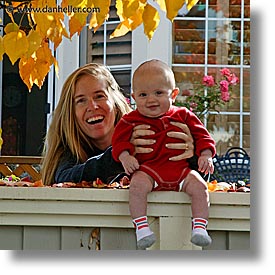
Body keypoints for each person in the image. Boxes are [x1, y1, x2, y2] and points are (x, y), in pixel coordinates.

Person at [112, 59, 216, 249]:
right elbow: (118, 142)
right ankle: (142, 229)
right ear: (134, 97)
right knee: (136, 187)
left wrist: (206, 155)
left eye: (159, 93)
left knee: (200, 187)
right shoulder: (130, 120)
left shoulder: (183, 115)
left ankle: (200, 227)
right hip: (149, 171)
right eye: (143, 95)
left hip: (181, 171)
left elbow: (203, 136)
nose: (151, 99)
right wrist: (125, 157)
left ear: (174, 94)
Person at [41, 63, 195, 191]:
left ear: (115, 102)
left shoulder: (147, 133)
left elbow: (200, 181)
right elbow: (63, 179)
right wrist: (119, 156)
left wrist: (193, 156)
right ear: (70, 112)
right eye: (81, 100)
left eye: (99, 96)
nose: (92, 106)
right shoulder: (67, 150)